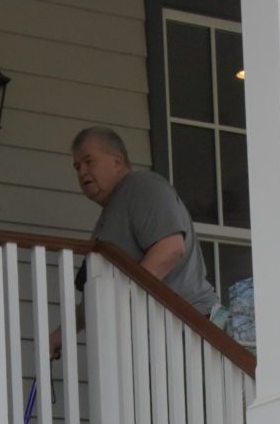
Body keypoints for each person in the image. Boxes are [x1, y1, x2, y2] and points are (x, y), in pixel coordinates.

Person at [69, 127, 217, 316]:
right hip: (151, 333)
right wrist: (55, 339)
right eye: (77, 167)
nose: (82, 172)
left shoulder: (142, 186)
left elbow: (170, 249)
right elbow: (97, 303)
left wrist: (120, 302)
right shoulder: (111, 213)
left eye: (89, 162)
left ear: (117, 162)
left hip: (185, 327)